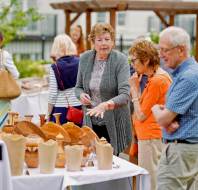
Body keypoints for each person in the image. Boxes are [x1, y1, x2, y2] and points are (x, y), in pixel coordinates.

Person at [152, 26, 198, 190]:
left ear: (181, 50)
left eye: (165, 50)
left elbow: (163, 118)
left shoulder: (188, 77)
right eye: (160, 49)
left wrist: (156, 109)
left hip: (180, 151)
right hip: (186, 150)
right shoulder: (187, 73)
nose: (161, 55)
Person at [75, 23, 132, 155]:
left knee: (110, 159)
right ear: (93, 42)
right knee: (92, 157)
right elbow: (78, 87)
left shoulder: (121, 60)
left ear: (112, 42)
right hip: (90, 119)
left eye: (107, 39)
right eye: (99, 40)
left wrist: (106, 105)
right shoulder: (85, 58)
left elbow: (125, 94)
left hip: (113, 119)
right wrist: (81, 95)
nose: (103, 44)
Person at [128, 39, 172, 190]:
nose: (132, 64)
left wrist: (134, 91)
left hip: (151, 138)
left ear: (145, 60)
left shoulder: (157, 81)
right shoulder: (156, 78)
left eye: (134, 60)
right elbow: (144, 107)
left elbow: (141, 115)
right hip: (150, 137)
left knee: (149, 182)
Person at [48, 34, 81, 125]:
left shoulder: (55, 66)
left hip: (61, 109)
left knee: (60, 137)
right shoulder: (80, 62)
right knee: (79, 136)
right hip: (79, 107)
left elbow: (53, 94)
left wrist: (48, 114)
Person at [0, 32, 19, 127]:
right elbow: (16, 74)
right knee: (3, 124)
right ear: (1, 40)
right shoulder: (4, 55)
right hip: (3, 95)